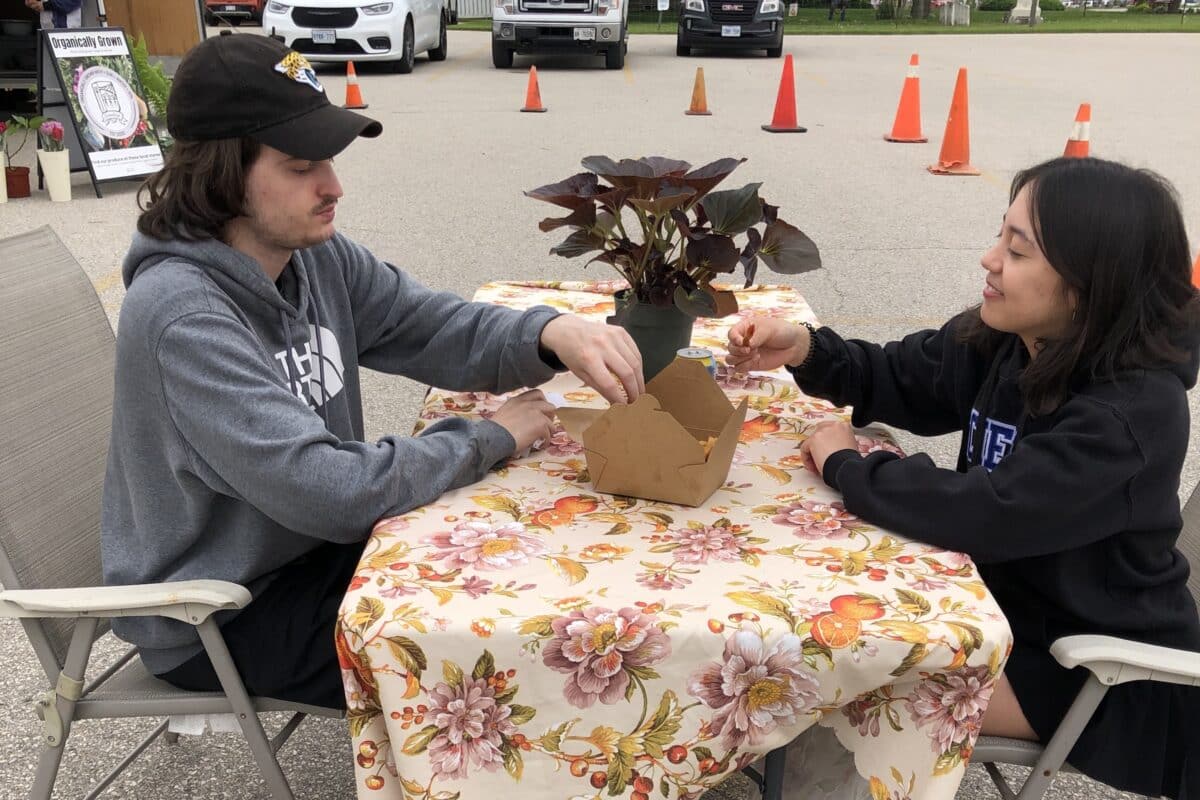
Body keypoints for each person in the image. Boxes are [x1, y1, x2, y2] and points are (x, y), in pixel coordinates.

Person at [102, 33, 644, 709]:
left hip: (313, 552)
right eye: (301, 166)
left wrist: (547, 332)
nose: (333, 186)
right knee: (513, 669)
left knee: (543, 577)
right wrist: (487, 438)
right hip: (224, 612)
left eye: (326, 157)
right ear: (219, 174)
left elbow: (428, 325)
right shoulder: (184, 319)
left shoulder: (309, 254)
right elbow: (329, 488)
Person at [727, 156, 1200, 799]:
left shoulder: (1132, 414)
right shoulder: (1015, 340)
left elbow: (991, 511)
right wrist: (806, 348)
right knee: (803, 626)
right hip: (995, 607)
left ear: (1089, 282)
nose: (989, 259)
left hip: (1090, 664)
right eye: (999, 235)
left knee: (840, 688)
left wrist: (849, 464)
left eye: (1018, 249)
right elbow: (902, 374)